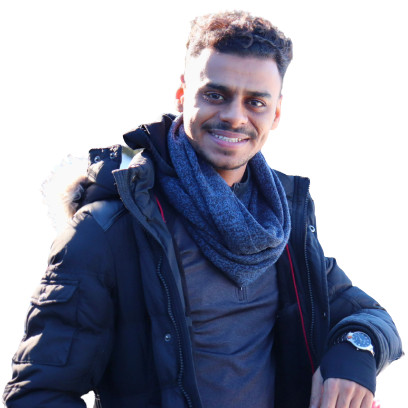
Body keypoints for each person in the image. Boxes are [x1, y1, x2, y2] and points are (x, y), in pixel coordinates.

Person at [3, 10, 403, 408]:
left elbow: (371, 317)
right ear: (183, 94)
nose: (234, 116)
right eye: (216, 95)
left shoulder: (281, 223)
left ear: (276, 112)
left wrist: (355, 352)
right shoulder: (109, 228)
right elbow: (37, 395)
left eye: (255, 102)